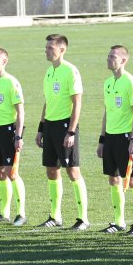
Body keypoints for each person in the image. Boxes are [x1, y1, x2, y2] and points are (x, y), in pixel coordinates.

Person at [35, 34, 88, 230]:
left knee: (73, 171)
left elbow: (77, 103)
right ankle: (55, 216)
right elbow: (47, 102)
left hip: (65, 126)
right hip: (49, 125)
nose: (47, 50)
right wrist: (41, 128)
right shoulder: (49, 72)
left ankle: (83, 218)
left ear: (62, 50)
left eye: (50, 47)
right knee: (51, 170)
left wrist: (71, 131)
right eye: (46, 47)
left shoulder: (70, 71)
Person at [97, 45, 133, 236]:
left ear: (123, 60)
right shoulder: (108, 82)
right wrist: (102, 139)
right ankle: (119, 222)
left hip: (126, 138)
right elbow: (107, 112)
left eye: (112, 57)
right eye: (108, 55)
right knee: (113, 178)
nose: (108, 59)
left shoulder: (130, 82)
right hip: (110, 137)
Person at [0, 48, 27, 226]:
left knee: (12, 172)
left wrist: (19, 135)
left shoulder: (11, 82)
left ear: (4, 61)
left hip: (9, 131)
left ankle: (21, 213)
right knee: (0, 173)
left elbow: (20, 110)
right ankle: (4, 213)